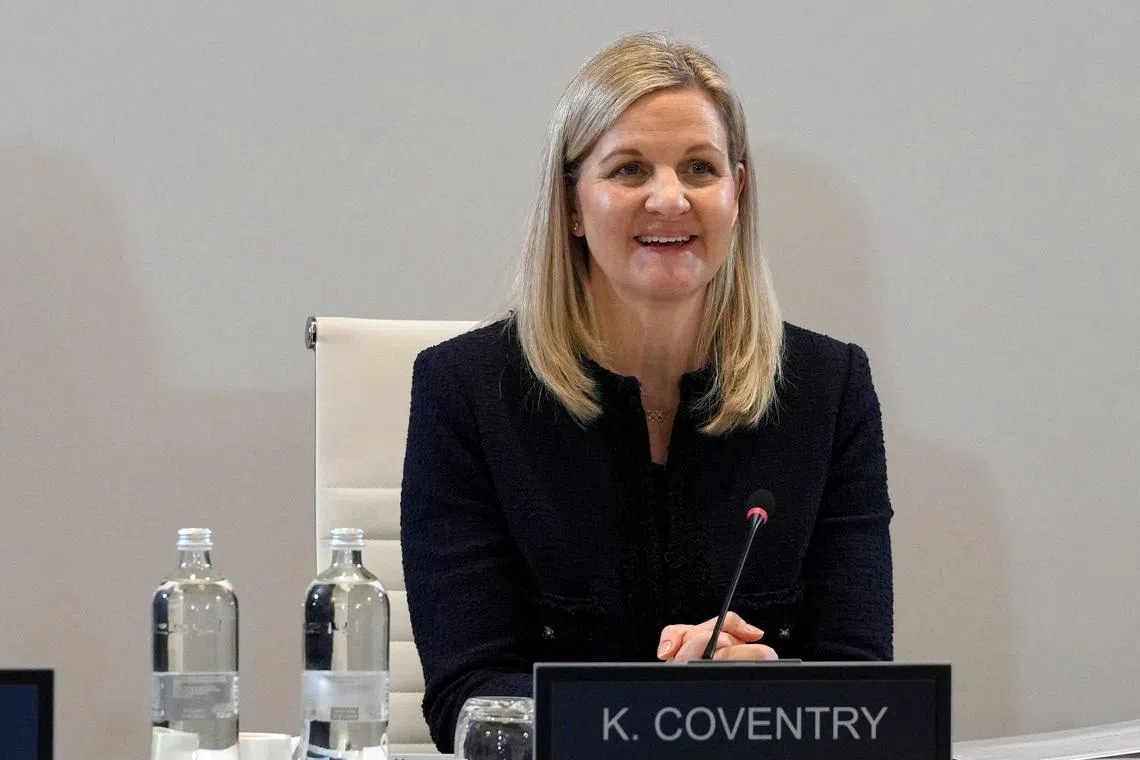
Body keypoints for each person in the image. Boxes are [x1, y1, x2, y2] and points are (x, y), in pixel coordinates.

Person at [400, 33, 893, 751]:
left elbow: (860, 687)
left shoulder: (830, 390)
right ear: (571, 204)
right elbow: (467, 701)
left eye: (700, 168)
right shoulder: (465, 393)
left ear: (736, 194)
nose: (670, 198)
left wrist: (765, 693)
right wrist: (669, 708)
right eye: (629, 169)